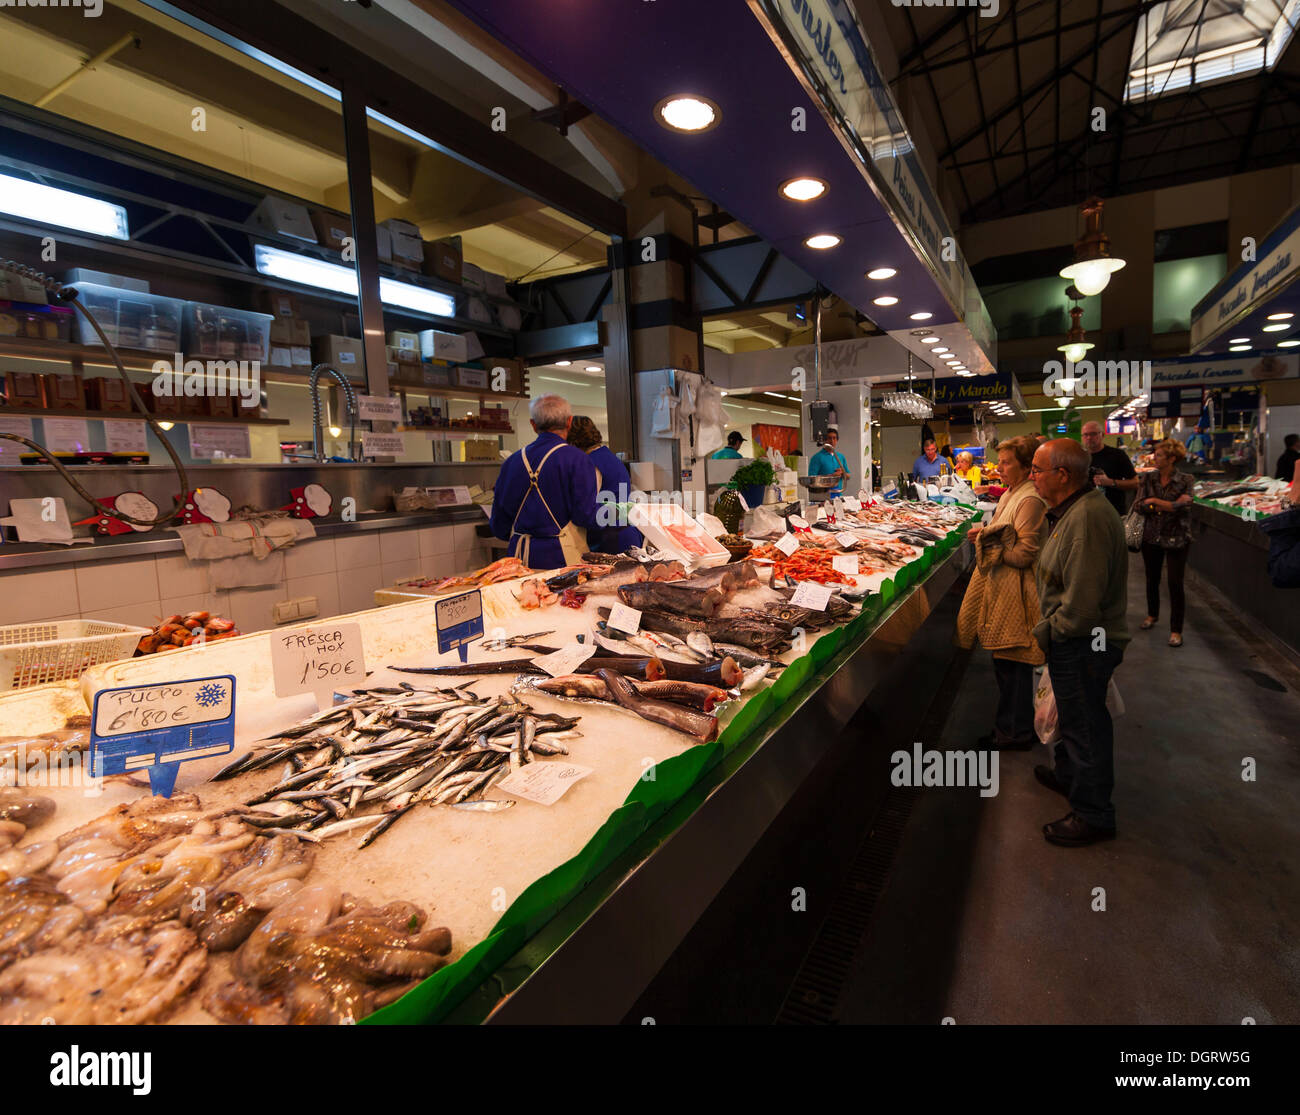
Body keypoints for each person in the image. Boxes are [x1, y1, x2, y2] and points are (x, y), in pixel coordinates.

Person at [1030, 437, 1129, 847]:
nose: (1032, 476)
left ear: (1063, 475)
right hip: (1075, 639)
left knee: (1086, 725)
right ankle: (1069, 776)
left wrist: (1049, 633)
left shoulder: (1086, 519)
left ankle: (1093, 814)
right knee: (1074, 718)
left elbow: (1081, 608)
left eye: (1037, 469)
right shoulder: (1072, 510)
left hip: (1085, 642)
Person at [956, 437, 1046, 750]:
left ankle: (1016, 733)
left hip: (1019, 597)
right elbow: (1003, 533)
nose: (1000, 468)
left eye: (1006, 462)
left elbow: (1024, 554)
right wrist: (984, 534)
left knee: (1015, 666)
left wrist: (987, 544)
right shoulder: (1011, 493)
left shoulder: (1030, 499)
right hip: (1003, 592)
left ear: (1026, 466)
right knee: (1005, 664)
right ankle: (1009, 727)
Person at [488, 394, 600, 570]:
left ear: (533, 425)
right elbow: (584, 515)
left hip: (517, 561)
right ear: (569, 422)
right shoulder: (577, 459)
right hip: (561, 560)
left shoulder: (512, 461)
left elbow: (499, 526)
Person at [1135, 438, 1194, 647]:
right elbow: (1139, 505)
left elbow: (1186, 507)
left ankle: (1176, 629)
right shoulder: (1148, 478)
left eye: (1159, 455)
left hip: (1178, 536)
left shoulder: (1186, 479)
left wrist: (1156, 502)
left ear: (1171, 458)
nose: (1155, 458)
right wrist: (1171, 505)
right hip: (1152, 535)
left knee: (1175, 583)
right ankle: (1152, 614)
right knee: (1152, 578)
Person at [567, 415, 642, 554]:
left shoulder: (591, 463)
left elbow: (587, 508)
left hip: (612, 538)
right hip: (628, 532)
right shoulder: (610, 457)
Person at [1082, 420, 1138, 514]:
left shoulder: (1117, 455)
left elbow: (1135, 483)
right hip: (1087, 511)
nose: (1089, 438)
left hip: (1113, 512)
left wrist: (1111, 482)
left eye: (1093, 434)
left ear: (1102, 435)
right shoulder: (1079, 457)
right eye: (1085, 435)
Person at [808, 426, 850, 497]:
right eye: (829, 438)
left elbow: (848, 476)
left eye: (834, 438)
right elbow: (812, 480)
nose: (832, 441)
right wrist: (831, 477)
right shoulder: (817, 458)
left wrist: (842, 473)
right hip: (822, 496)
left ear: (837, 440)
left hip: (838, 494)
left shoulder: (840, 457)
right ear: (825, 440)